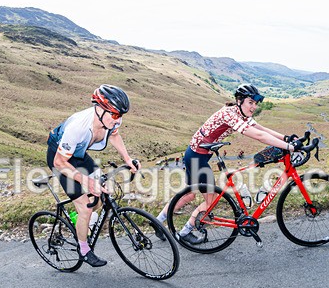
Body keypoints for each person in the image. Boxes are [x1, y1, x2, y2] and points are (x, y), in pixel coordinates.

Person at [156, 83, 300, 244]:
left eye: (255, 103)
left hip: (197, 154)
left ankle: (156, 222)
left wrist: (286, 138)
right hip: (197, 156)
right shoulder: (229, 114)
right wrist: (289, 147)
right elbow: (258, 135)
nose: (254, 107)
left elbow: (260, 128)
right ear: (239, 101)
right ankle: (185, 231)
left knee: (189, 195)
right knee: (210, 200)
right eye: (250, 102)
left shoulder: (239, 113)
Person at [47, 84, 140, 267]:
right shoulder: (78, 127)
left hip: (80, 156)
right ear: (99, 109)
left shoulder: (112, 119)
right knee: (86, 207)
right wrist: (85, 181)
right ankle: (84, 250)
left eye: (120, 115)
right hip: (61, 160)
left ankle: (81, 220)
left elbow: (114, 135)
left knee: (102, 194)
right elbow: (59, 163)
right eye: (114, 115)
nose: (118, 119)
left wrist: (128, 159)